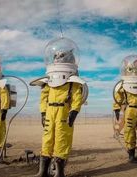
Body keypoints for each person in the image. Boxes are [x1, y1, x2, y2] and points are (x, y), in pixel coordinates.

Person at [30, 37, 88, 177]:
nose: (57, 58)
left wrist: (74, 112)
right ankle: (43, 171)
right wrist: (43, 113)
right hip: (50, 111)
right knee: (47, 139)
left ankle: (59, 173)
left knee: (62, 140)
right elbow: (44, 97)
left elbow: (76, 97)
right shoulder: (48, 81)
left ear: (69, 58)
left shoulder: (72, 81)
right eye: (56, 56)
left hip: (64, 112)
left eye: (61, 56)